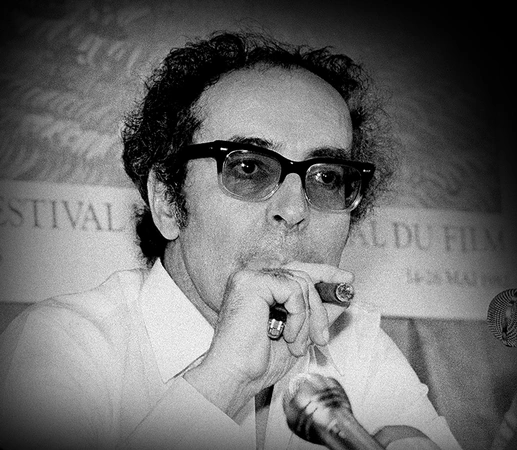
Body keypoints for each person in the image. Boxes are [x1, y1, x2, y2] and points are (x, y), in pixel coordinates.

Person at [0, 30, 463, 450]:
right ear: (167, 201)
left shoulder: (353, 343)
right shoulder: (66, 342)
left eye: (326, 177)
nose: (295, 209)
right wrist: (226, 379)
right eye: (248, 167)